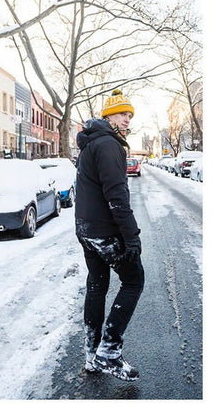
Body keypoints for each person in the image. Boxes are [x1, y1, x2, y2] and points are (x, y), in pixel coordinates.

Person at [75, 89, 144, 382]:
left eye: (129, 115)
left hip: (87, 229)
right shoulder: (108, 145)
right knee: (133, 280)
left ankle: (92, 354)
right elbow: (116, 196)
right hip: (104, 231)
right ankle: (109, 352)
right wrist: (132, 237)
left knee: (97, 285)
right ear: (108, 116)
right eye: (122, 114)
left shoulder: (92, 142)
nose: (127, 120)